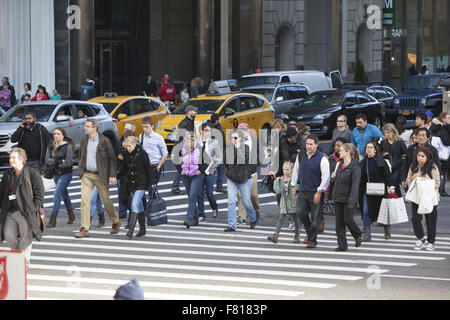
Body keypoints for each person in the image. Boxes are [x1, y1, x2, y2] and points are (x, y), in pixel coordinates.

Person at [75, 118, 121, 238]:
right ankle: (84, 228)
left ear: (95, 128)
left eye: (88, 126)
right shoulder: (84, 140)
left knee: (106, 201)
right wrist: (81, 170)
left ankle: (115, 221)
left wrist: (112, 175)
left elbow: (112, 158)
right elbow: (81, 156)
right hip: (87, 175)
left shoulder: (104, 141)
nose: (85, 128)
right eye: (85, 126)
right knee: (85, 201)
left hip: (101, 175)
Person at [0, 148, 45, 269]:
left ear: (22, 160)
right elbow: (2, 193)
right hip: (10, 211)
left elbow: (40, 193)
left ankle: (23, 261)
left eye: (14, 158)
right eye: (10, 158)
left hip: (25, 212)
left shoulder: (32, 173)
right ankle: (18, 256)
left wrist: (32, 208)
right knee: (8, 234)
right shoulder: (8, 174)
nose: (11, 160)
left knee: (26, 236)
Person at [291, 135, 330, 248]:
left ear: (316, 145)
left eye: (311, 144)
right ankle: (310, 233)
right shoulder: (301, 155)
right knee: (300, 212)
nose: (308, 146)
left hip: (316, 191)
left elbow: (326, 177)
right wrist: (293, 185)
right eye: (307, 144)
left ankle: (312, 240)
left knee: (316, 217)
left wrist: (320, 191)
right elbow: (296, 170)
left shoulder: (322, 158)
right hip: (303, 190)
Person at [118, 136, 155, 239]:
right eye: (126, 146)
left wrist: (152, 181)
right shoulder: (126, 154)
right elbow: (123, 170)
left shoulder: (142, 154)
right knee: (139, 207)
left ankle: (131, 229)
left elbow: (148, 168)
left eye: (130, 146)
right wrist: (115, 177)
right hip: (131, 183)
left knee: (134, 204)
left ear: (135, 144)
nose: (128, 148)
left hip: (141, 183)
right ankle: (142, 229)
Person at [224, 130, 259, 232]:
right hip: (231, 178)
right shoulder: (228, 149)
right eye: (232, 138)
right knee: (231, 202)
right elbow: (225, 163)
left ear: (240, 139)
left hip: (244, 178)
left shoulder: (245, 148)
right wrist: (228, 173)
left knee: (246, 201)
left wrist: (238, 148)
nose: (234, 140)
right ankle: (232, 225)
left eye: (236, 138)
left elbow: (244, 160)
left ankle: (253, 218)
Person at [360, 141, 396, 241]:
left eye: (371, 147)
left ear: (375, 149)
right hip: (367, 190)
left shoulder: (380, 161)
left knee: (383, 211)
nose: (369, 149)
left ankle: (386, 229)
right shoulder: (363, 162)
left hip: (380, 190)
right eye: (367, 148)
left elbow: (387, 175)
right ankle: (367, 234)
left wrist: (391, 186)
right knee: (366, 211)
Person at [406, 147, 440, 251]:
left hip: (429, 197)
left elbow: (437, 183)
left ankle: (431, 241)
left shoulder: (432, 167)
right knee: (415, 218)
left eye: (422, 156)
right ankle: (420, 238)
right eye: (418, 156)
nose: (420, 158)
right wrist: (415, 176)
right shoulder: (414, 167)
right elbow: (408, 180)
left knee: (431, 219)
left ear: (427, 157)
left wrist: (424, 180)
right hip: (416, 196)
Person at [331, 143, 363, 251]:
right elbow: (337, 181)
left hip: (349, 197)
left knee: (348, 219)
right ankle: (342, 245)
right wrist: (334, 177)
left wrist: (352, 201)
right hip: (338, 196)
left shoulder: (355, 167)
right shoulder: (339, 164)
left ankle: (357, 233)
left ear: (348, 152)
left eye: (342, 150)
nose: (339, 152)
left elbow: (355, 185)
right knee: (339, 223)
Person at [44, 128, 76, 228]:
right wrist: (58, 162)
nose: (56, 136)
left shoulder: (67, 147)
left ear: (63, 135)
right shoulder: (51, 145)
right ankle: (71, 214)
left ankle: (53, 220)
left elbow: (68, 163)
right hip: (55, 174)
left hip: (66, 174)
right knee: (64, 194)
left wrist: (55, 162)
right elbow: (47, 160)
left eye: (58, 134)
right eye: (54, 134)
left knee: (57, 193)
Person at [177, 132, 208, 228]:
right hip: (185, 175)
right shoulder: (181, 150)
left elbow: (207, 160)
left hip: (196, 175)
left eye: (191, 140)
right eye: (187, 140)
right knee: (190, 196)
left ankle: (188, 218)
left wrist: (200, 170)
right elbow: (175, 159)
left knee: (192, 195)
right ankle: (194, 219)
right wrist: (180, 170)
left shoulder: (199, 149)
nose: (189, 142)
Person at [267, 161, 301, 244]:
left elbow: (298, 189)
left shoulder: (294, 179)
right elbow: (278, 191)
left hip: (293, 203)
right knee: (281, 219)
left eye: (287, 169)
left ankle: (297, 236)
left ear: (292, 170)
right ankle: (276, 235)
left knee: (296, 220)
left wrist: (295, 189)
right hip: (284, 202)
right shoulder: (281, 179)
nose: (285, 171)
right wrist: (276, 182)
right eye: (284, 169)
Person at [196, 122, 221, 220]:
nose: (208, 132)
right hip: (198, 171)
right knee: (199, 193)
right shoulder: (196, 142)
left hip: (209, 170)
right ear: (202, 131)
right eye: (206, 130)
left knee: (209, 193)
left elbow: (218, 157)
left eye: (210, 131)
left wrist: (213, 168)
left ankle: (214, 207)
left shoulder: (214, 143)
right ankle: (201, 214)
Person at [236, 123, 260, 224]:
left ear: (247, 131)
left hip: (252, 172)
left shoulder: (254, 140)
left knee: (253, 195)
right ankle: (242, 216)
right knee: (241, 195)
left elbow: (260, 153)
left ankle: (256, 211)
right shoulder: (236, 141)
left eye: (243, 131)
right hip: (241, 172)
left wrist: (256, 163)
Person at [171, 106, 197, 194]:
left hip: (188, 147)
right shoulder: (184, 123)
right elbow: (180, 138)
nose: (196, 112)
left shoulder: (190, 121)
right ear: (189, 112)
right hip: (183, 148)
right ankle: (175, 186)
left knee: (184, 166)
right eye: (194, 111)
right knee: (183, 167)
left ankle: (175, 186)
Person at [382, 123, 408, 196]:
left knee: (394, 182)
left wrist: (402, 159)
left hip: (398, 166)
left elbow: (406, 153)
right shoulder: (384, 142)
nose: (387, 134)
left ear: (393, 132)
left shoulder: (399, 141)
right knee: (392, 185)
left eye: (388, 132)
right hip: (388, 166)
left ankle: (398, 199)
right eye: (385, 133)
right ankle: (398, 200)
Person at [118, 123, 136, 222]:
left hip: (134, 176)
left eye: (127, 129)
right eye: (124, 129)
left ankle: (134, 217)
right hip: (123, 173)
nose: (125, 130)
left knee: (133, 196)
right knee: (123, 196)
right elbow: (116, 151)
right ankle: (122, 211)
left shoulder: (137, 148)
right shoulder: (120, 139)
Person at [430, 112, 450, 197]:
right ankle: (441, 189)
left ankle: (439, 189)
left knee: (438, 171)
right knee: (442, 172)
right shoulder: (443, 128)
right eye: (448, 118)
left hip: (437, 152)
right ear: (443, 119)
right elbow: (446, 142)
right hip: (442, 153)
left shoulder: (436, 127)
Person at [209, 113, 227, 193]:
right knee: (215, 171)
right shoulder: (214, 129)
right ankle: (212, 188)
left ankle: (218, 187)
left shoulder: (214, 127)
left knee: (219, 171)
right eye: (219, 119)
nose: (219, 120)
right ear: (216, 120)